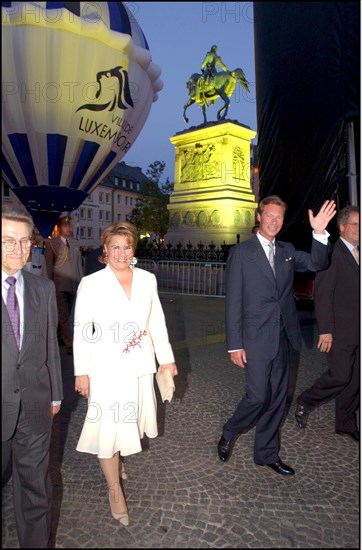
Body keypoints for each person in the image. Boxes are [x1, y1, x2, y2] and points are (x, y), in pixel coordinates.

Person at [217, 195, 336, 475]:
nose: (274, 222)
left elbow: (318, 263)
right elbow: (233, 301)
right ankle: (230, 430)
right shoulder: (242, 253)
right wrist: (235, 345)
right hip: (255, 337)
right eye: (269, 216)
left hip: (284, 336)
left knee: (279, 398)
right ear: (259, 217)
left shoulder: (287, 250)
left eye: (279, 217)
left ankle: (266, 453)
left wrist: (318, 232)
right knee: (258, 397)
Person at [73, 221, 178, 526]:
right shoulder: (91, 283)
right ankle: (114, 488)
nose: (121, 252)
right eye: (114, 246)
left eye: (127, 246)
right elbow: (82, 331)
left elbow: (156, 321)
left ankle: (116, 465)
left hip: (139, 366)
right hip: (104, 368)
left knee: (127, 421)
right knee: (108, 426)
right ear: (104, 250)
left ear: (134, 249)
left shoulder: (147, 279)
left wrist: (166, 360)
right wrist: (81, 372)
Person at [2, 205, 63, 548]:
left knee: (35, 493)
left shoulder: (41, 288)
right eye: (8, 241)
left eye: (24, 242)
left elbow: (50, 347)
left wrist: (55, 394)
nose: (18, 249)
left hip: (36, 407)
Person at [295, 206, 359, 441]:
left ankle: (345, 422)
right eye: (355, 224)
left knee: (355, 381)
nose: (359, 229)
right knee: (341, 376)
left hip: (358, 331)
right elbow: (322, 294)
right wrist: (326, 331)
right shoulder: (332, 254)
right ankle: (306, 400)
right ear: (341, 227)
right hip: (340, 331)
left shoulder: (357, 252)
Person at [44, 214, 84, 354]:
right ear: (60, 228)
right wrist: (49, 284)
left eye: (70, 226)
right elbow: (49, 265)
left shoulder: (74, 243)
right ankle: (70, 344)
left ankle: (59, 336)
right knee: (64, 316)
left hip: (73, 284)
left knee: (67, 315)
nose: (69, 228)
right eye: (66, 226)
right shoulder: (51, 243)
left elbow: (79, 264)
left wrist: (81, 282)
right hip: (59, 286)